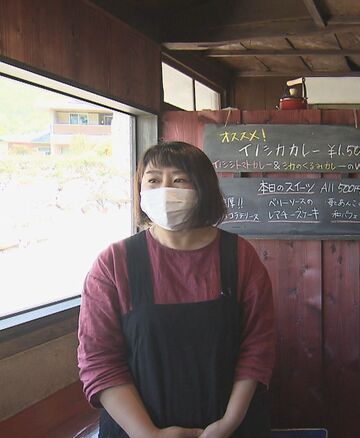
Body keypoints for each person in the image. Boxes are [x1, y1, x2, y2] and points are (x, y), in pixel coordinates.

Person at [77, 141, 275, 438]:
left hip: (231, 428)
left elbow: (258, 348)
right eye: (154, 180)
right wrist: (148, 434)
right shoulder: (113, 263)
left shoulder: (240, 257)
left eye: (179, 179)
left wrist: (228, 424)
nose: (164, 190)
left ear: (203, 187)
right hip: (135, 431)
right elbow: (99, 360)